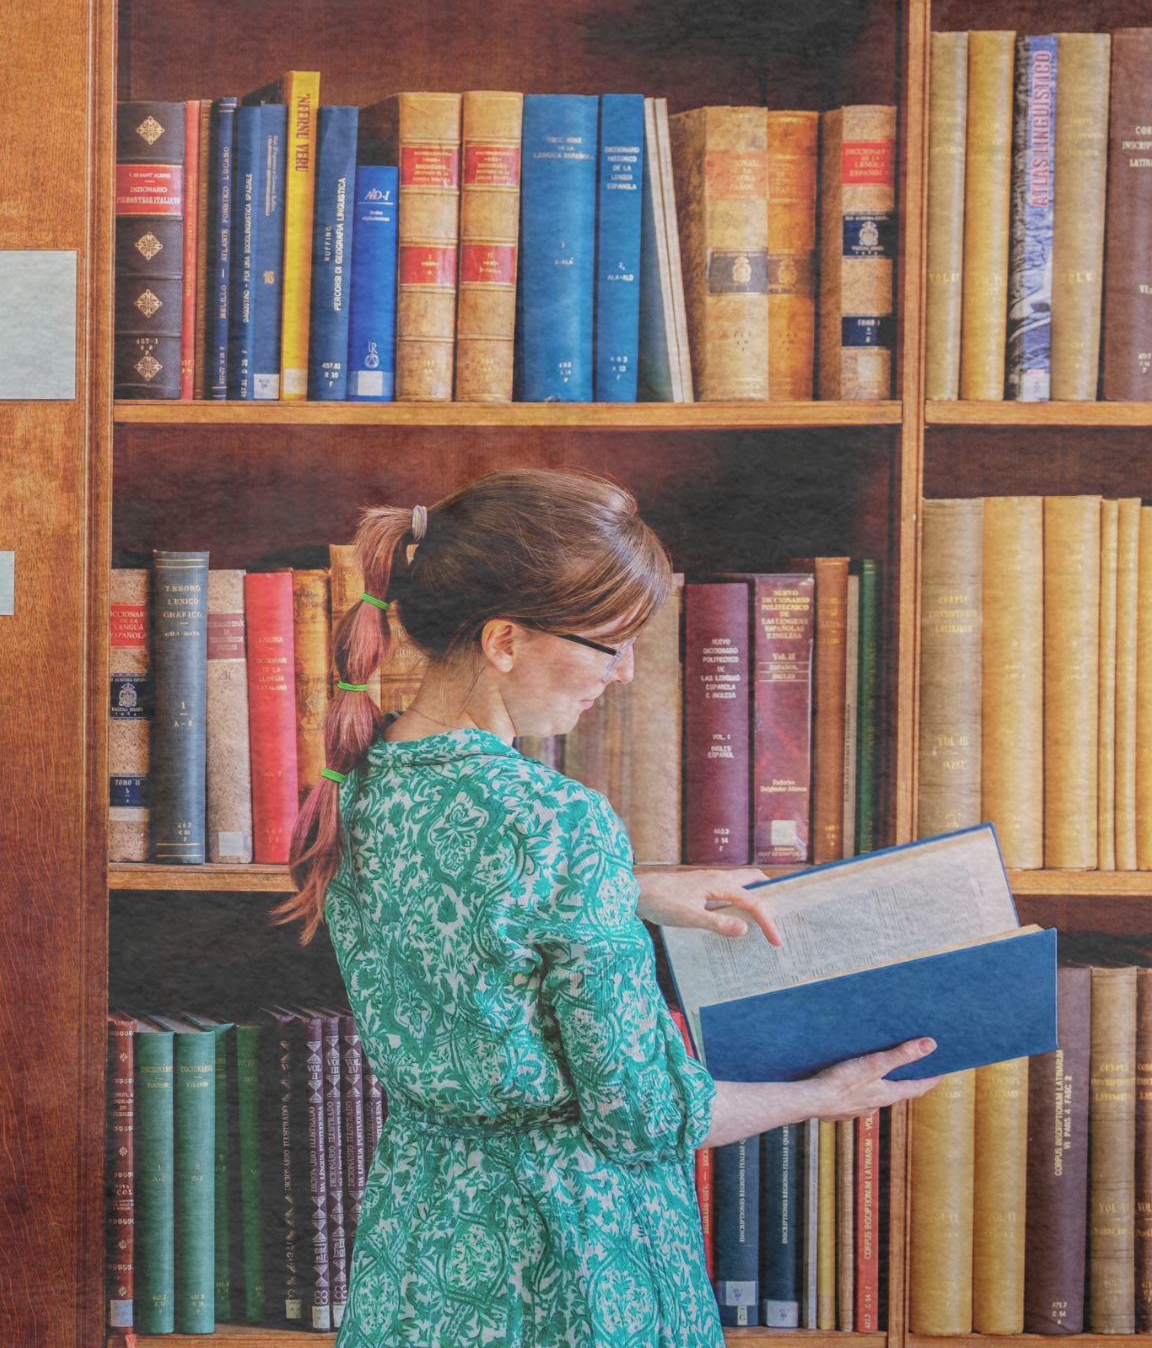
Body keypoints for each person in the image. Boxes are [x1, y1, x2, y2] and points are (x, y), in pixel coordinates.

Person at [281, 468, 940, 1348]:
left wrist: (629, 893)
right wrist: (825, 1094)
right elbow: (642, 1114)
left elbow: (462, 911)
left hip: (419, 1248)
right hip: (574, 1263)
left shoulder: (355, 785)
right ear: (506, 641)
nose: (625, 674)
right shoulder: (561, 823)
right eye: (608, 644)